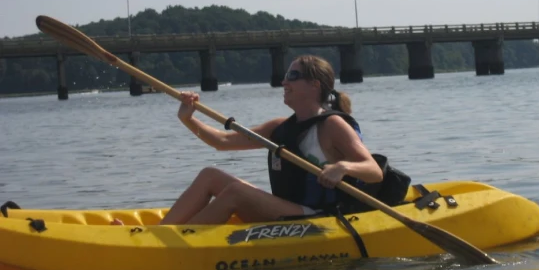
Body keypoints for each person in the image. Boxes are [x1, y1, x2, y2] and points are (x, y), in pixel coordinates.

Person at [158, 55, 383, 225]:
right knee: (210, 175)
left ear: (315, 85)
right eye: (286, 76)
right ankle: (161, 234)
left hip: (319, 217)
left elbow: (373, 170)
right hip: (291, 209)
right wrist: (188, 119)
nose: (285, 82)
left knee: (235, 192)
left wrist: (342, 167)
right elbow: (222, 141)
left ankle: (174, 245)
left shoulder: (332, 125)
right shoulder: (279, 127)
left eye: (293, 76)